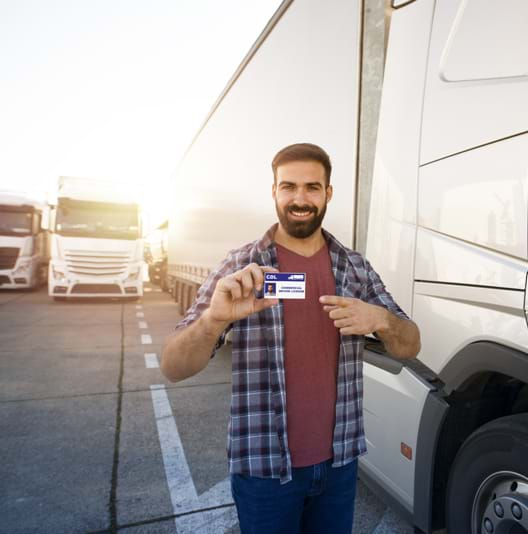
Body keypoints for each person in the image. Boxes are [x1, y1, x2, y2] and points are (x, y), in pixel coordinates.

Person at [160, 142, 421, 534]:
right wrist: (214, 320)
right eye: (289, 187)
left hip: (340, 465)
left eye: (312, 187)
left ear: (328, 193)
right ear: (274, 191)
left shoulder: (355, 269)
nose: (300, 199)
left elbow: (411, 344)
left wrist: (381, 319)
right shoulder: (242, 266)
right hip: (264, 470)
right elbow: (173, 366)